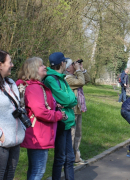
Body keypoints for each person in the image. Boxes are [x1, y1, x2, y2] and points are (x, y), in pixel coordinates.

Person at [16, 57, 64, 180]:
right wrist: (59, 115)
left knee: (34, 169)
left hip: (36, 133)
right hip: (39, 134)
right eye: (41, 65)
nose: (45, 67)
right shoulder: (34, 87)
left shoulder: (33, 85)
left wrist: (54, 105)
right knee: (38, 171)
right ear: (34, 70)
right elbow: (41, 112)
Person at [44, 52, 77, 180]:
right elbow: (68, 100)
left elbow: (72, 99)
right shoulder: (50, 79)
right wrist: (69, 101)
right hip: (60, 122)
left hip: (67, 121)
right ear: (62, 63)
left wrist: (69, 100)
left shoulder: (61, 78)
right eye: (65, 62)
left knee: (70, 158)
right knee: (60, 157)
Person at [0, 50, 25, 180]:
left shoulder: (10, 83)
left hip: (16, 140)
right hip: (2, 144)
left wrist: (23, 128)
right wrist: (1, 136)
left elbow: (18, 106)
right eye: (9, 62)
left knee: (9, 176)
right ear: (0, 65)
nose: (12, 65)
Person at [65, 58, 90, 163]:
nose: (74, 66)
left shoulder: (75, 76)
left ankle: (76, 157)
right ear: (67, 68)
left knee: (78, 135)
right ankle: (68, 158)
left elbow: (87, 79)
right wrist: (79, 71)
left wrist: (82, 70)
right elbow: (81, 82)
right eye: (72, 65)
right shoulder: (67, 79)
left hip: (78, 109)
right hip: (72, 110)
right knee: (72, 135)